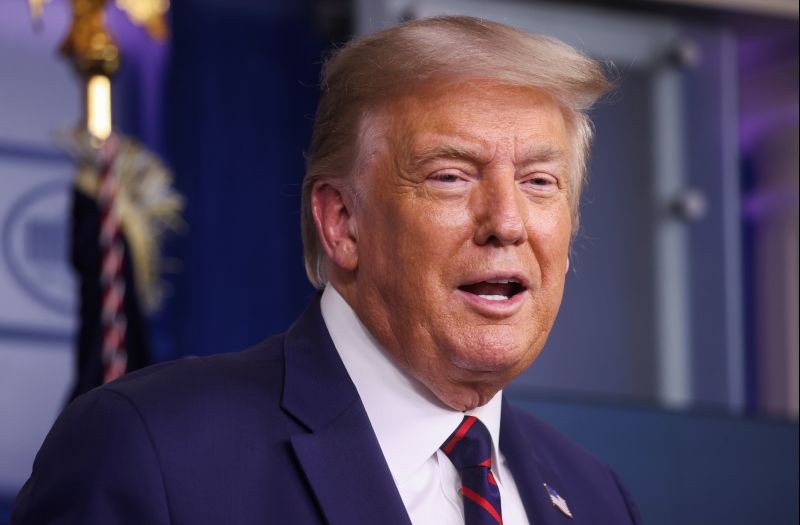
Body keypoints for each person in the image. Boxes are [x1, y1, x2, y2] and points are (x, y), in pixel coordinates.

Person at [12, 16, 641, 525]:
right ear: (341, 222)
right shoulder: (150, 452)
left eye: (540, 182)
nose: (506, 222)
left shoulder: (597, 497)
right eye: (451, 176)